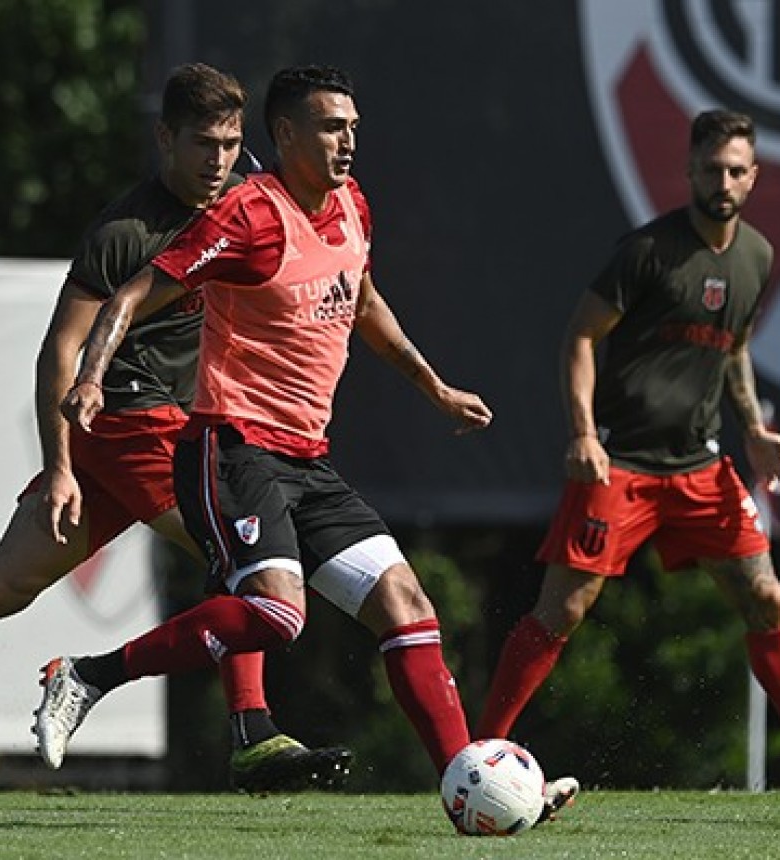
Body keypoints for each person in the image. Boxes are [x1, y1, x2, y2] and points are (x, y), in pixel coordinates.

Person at [39, 64, 578, 818]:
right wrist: (92, 378)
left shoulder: (352, 202)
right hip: (230, 449)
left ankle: (471, 785)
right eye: (331, 126)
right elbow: (133, 293)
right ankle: (91, 675)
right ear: (285, 134)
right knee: (279, 612)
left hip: (306, 458)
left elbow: (361, 300)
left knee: (407, 603)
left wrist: (435, 386)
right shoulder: (248, 217)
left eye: (353, 126)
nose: (348, 140)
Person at [475, 109, 780, 792]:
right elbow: (580, 338)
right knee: (562, 608)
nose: (724, 180)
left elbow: (734, 348)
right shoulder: (647, 252)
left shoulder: (758, 256)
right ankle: (478, 756)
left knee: (767, 597)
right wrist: (584, 435)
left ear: (754, 176)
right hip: (619, 461)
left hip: (701, 466)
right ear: (688, 171)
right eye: (711, 168)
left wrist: (754, 431)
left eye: (736, 169)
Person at [0, 61, 350, 790]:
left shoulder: (260, 200)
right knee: (253, 569)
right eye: (202, 143)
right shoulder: (128, 231)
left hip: (157, 438)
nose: (218, 160)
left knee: (8, 585)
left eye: (228, 143)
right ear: (165, 139)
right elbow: (60, 350)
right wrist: (60, 465)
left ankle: (249, 732)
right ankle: (252, 735)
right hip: (131, 420)